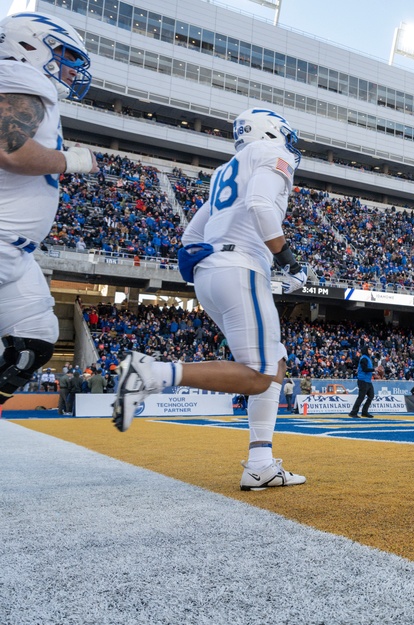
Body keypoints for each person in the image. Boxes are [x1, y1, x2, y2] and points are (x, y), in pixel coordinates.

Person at [112, 107, 307, 492]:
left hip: (213, 271)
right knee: (260, 375)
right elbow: (260, 205)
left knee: (275, 361)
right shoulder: (272, 155)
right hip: (241, 265)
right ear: (273, 133)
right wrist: (290, 262)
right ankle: (153, 373)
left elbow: (190, 237)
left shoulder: (225, 171)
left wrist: (213, 265)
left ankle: (260, 464)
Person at [0, 13, 97, 409]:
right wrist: (69, 160)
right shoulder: (22, 77)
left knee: (34, 339)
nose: (73, 71)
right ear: (30, 45)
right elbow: (9, 147)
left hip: (14, 253)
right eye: (67, 56)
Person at [349, 346, 376, 418]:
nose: (371, 350)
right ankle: (353, 412)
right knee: (361, 397)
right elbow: (364, 369)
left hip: (367, 380)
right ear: (366, 350)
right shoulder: (364, 358)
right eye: (369, 349)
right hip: (363, 380)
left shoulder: (367, 358)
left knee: (371, 395)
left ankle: (364, 411)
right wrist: (374, 370)